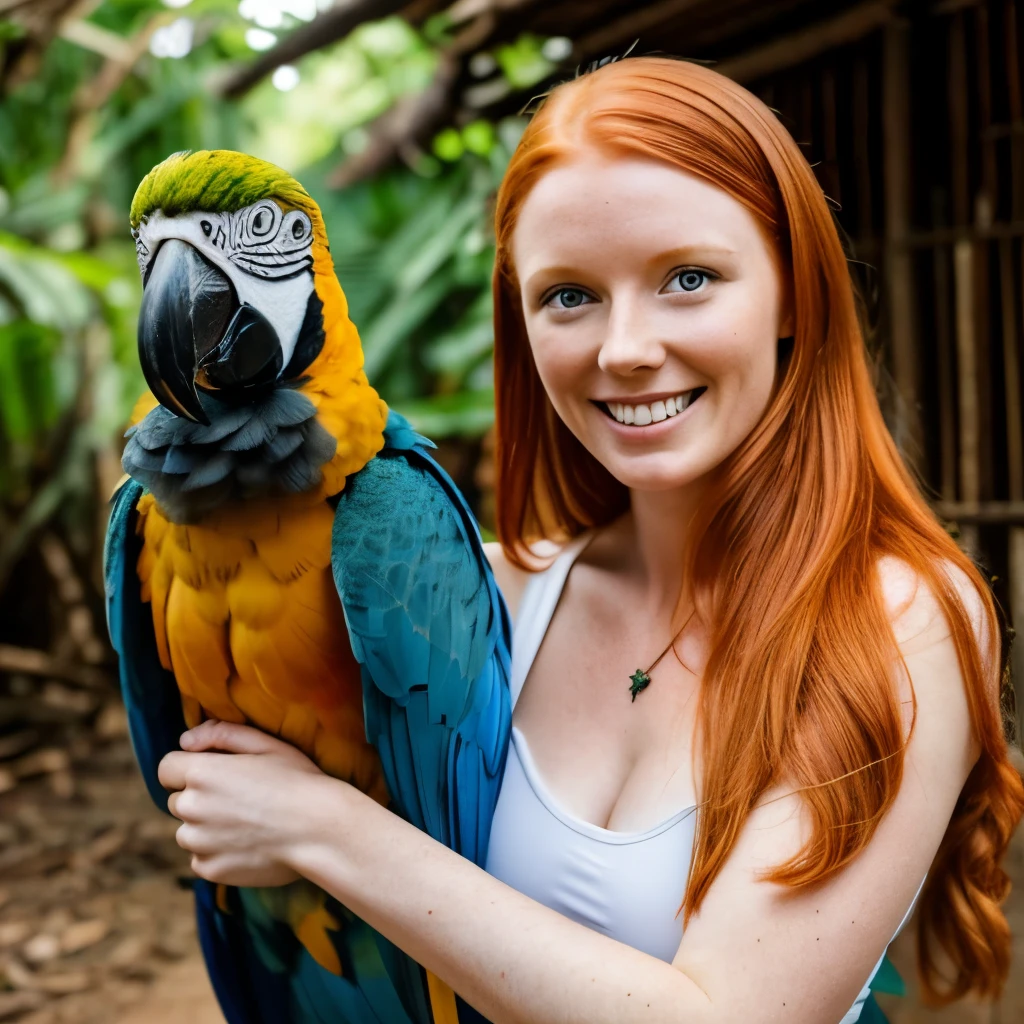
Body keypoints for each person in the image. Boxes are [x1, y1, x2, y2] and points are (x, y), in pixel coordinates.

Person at [157, 56, 1024, 1022]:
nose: (624, 349)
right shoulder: (495, 595)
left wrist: (326, 831)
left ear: (793, 294)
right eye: (569, 295)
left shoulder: (899, 619)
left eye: (688, 279)